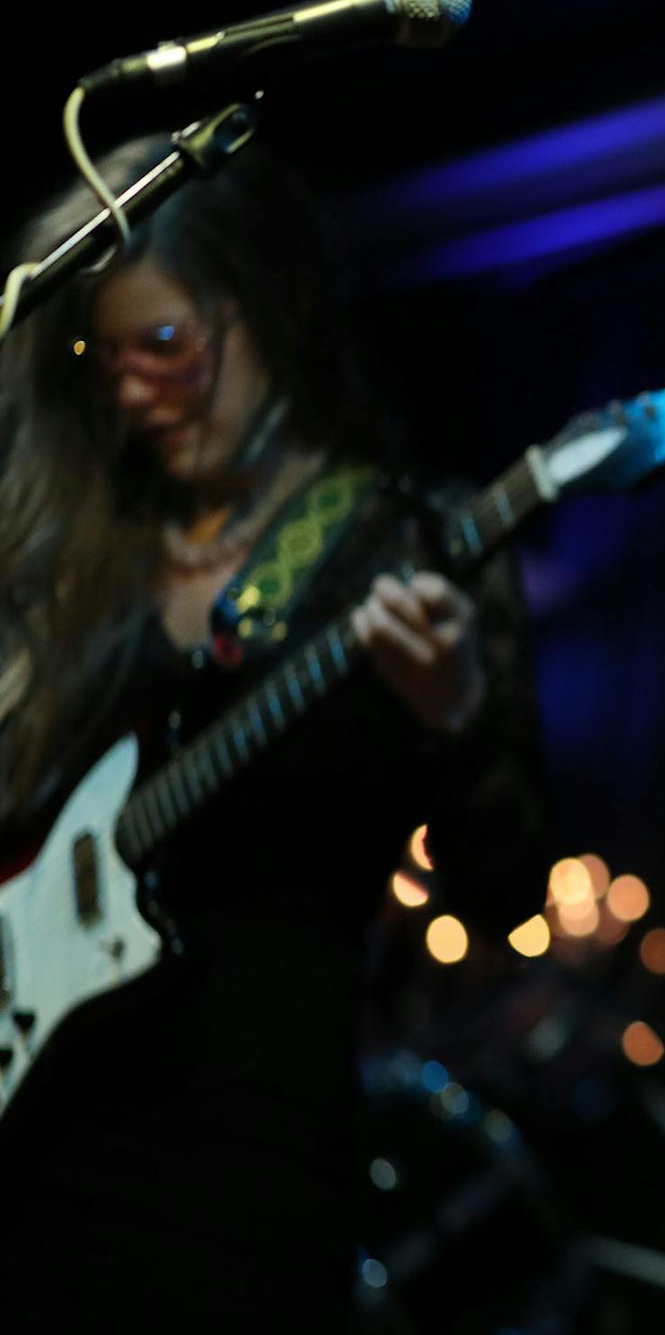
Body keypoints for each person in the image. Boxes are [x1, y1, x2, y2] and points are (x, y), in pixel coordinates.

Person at [0, 139, 544, 1328]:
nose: (136, 391)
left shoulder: (393, 541)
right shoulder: (92, 549)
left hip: (240, 1146)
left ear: (266, 314)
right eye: (111, 357)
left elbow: (506, 887)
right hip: (31, 1124)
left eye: (169, 346)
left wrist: (450, 714)